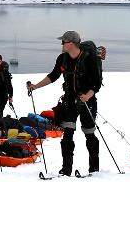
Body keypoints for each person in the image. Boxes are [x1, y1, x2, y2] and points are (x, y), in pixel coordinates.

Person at [25, 30, 103, 177]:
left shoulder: (89, 59)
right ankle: (66, 169)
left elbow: (96, 83)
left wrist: (87, 96)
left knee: (89, 133)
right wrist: (35, 86)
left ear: (71, 44)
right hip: (69, 101)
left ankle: (94, 168)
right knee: (67, 135)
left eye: (63, 42)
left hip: (88, 101)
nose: (61, 44)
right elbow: (53, 75)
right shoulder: (62, 58)